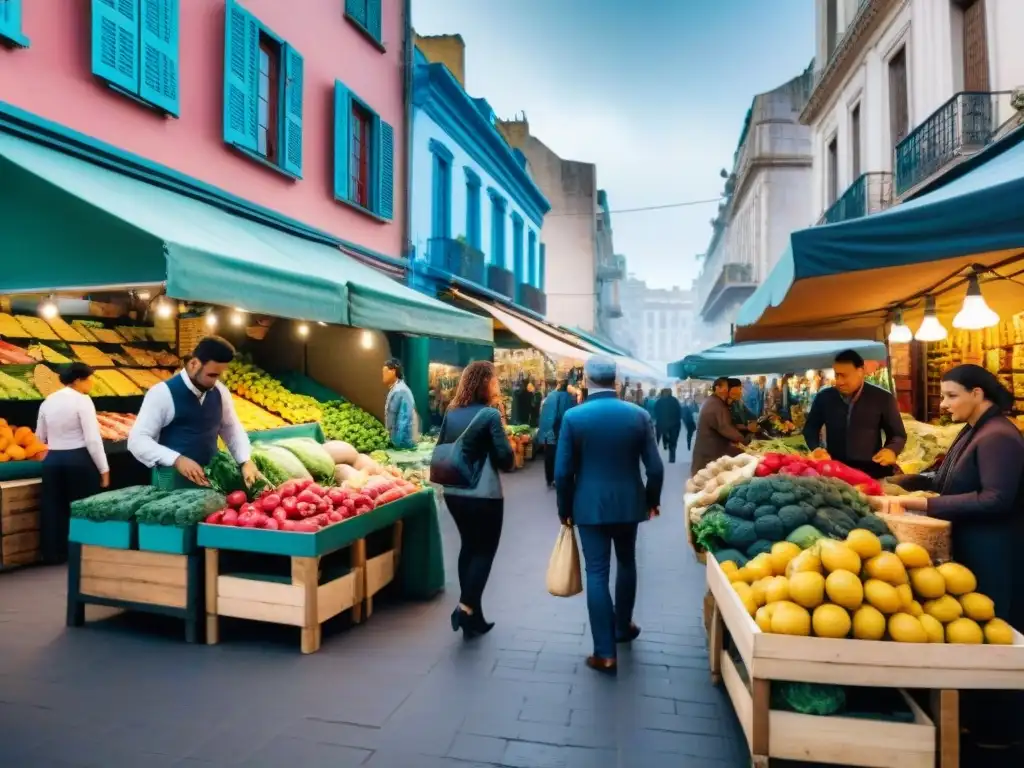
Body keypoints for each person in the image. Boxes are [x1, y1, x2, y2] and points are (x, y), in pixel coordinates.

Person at [881, 365, 1024, 758]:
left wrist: (917, 503)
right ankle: (975, 718)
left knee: (995, 633)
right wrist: (897, 483)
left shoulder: (1000, 437)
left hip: (996, 552)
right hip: (973, 549)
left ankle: (999, 732)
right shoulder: (975, 430)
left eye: (951, 396)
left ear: (978, 393)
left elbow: (996, 498)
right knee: (976, 633)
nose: (943, 404)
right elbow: (943, 475)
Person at [555, 356, 663, 674]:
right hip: (630, 503)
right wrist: (651, 500)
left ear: (587, 379)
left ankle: (604, 652)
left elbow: (562, 473)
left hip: (588, 506)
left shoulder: (574, 417)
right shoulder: (639, 415)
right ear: (615, 380)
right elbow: (655, 468)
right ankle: (623, 626)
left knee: (597, 573)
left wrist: (565, 510)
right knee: (627, 561)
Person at [436, 361, 515, 638]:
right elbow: (506, 458)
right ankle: (466, 607)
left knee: (469, 547)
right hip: (483, 494)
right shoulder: (490, 415)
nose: (497, 385)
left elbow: (442, 446)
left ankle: (474, 617)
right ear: (485, 382)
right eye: (494, 380)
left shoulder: (452, 411)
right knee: (484, 551)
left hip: (453, 491)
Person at [128, 336, 257, 488]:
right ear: (193, 364)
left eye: (219, 375)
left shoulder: (221, 392)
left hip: (211, 483)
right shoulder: (161, 393)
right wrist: (176, 459)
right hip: (171, 485)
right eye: (212, 375)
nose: (215, 381)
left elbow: (230, 428)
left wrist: (245, 460)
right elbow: (137, 441)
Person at [35, 363, 109, 564]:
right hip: (78, 460)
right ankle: (80, 551)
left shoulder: (48, 401)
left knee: (53, 507)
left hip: (53, 460)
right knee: (81, 507)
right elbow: (93, 439)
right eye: (89, 379)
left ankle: (53, 553)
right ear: (78, 380)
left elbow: (40, 436)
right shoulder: (83, 401)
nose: (91, 383)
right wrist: (104, 469)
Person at [802, 349, 906, 479]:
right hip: (835, 472)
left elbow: (898, 435)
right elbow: (810, 429)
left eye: (844, 375)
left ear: (860, 371)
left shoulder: (883, 398)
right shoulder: (824, 397)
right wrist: (816, 448)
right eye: (836, 375)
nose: (839, 381)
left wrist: (892, 450)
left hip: (872, 472)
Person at [691, 377, 746, 475]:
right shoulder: (715, 405)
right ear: (717, 388)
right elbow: (725, 428)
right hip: (708, 458)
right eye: (725, 387)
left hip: (708, 454)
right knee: (703, 485)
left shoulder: (714, 401)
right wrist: (745, 442)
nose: (727, 390)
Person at [537, 378, 574, 488]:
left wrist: (544, 434)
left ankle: (550, 478)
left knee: (550, 455)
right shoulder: (570, 397)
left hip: (551, 432)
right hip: (562, 430)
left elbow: (546, 417)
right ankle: (560, 477)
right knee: (563, 455)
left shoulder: (551, 397)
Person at [382, 358, 418, 449]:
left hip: (403, 444)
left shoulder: (401, 390)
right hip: (397, 442)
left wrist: (397, 443)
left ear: (393, 371)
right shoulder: (395, 389)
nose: (383, 376)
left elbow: (404, 418)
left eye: (385, 373)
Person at [654, 388, 683, 463]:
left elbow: (656, 412)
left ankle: (666, 443)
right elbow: (679, 412)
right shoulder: (674, 401)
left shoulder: (659, 401)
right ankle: (672, 458)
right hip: (674, 425)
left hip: (663, 424)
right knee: (673, 442)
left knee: (665, 436)